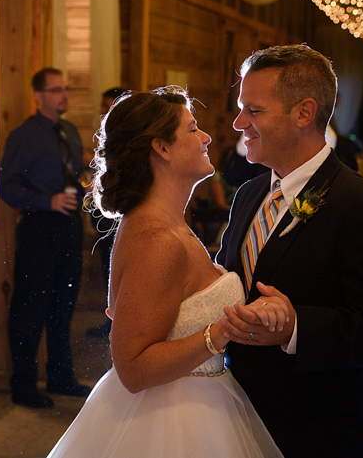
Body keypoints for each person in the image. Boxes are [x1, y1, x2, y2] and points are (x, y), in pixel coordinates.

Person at [46, 87, 282, 458]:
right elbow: (134, 368)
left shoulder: (167, 224)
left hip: (199, 402)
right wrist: (222, 331)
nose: (206, 138)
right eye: (192, 129)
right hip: (171, 419)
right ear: (162, 148)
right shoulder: (158, 239)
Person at [216, 44, 363, 458]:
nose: (238, 123)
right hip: (235, 420)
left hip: (319, 433)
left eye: (253, 111)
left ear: (304, 114)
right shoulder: (250, 194)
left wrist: (296, 327)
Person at [0, 67, 90, 409]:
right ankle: (23, 385)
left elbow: (74, 173)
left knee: (64, 305)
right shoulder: (24, 135)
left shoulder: (68, 131)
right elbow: (5, 187)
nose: (63, 96)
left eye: (64, 90)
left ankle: (61, 376)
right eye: (55, 91)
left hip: (69, 227)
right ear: (38, 97)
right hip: (38, 227)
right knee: (29, 307)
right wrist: (45, 201)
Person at [86, 87, 127, 339]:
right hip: (104, 220)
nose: (102, 111)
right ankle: (112, 319)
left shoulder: (127, 142)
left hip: (120, 221)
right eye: (101, 106)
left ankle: (121, 323)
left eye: (107, 106)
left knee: (122, 274)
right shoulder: (107, 138)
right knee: (109, 272)